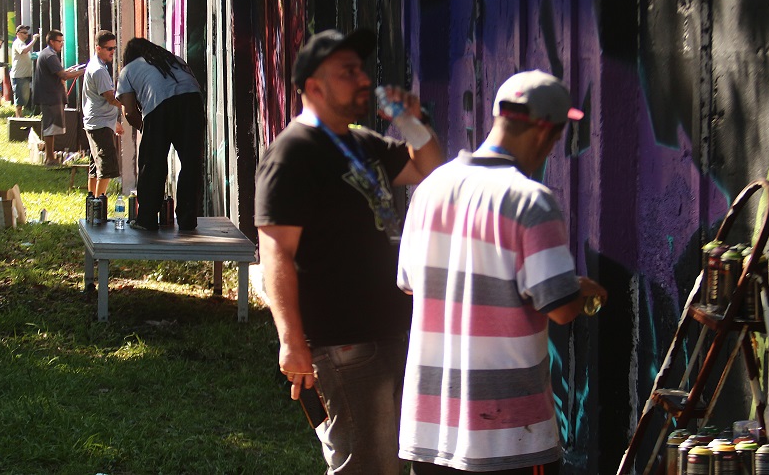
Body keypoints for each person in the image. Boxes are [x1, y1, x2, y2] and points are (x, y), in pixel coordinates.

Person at [396, 70, 608, 475]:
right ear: (545, 132)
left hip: (429, 433)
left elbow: (412, 285)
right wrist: (584, 292)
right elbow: (561, 308)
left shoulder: (430, 189)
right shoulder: (531, 201)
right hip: (509, 436)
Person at [254, 28, 443, 475]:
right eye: (348, 72)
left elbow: (430, 170)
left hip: (387, 329)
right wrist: (291, 341)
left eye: (361, 70)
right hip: (342, 342)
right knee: (367, 465)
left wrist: (411, 121)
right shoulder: (292, 154)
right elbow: (275, 254)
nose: (363, 80)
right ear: (314, 86)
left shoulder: (361, 141)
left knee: (390, 462)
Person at [115, 37, 204, 231]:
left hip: (160, 105)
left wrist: (148, 131)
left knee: (152, 162)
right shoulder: (174, 60)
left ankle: (146, 219)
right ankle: (188, 219)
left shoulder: (128, 70)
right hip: (193, 102)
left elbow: (129, 111)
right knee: (191, 162)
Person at [31, 30, 84, 166]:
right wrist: (84, 71)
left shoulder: (48, 54)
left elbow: (60, 73)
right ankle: (50, 158)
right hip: (50, 97)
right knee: (51, 127)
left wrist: (71, 70)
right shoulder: (49, 56)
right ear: (51, 42)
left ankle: (51, 156)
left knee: (52, 128)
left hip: (51, 96)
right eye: (59, 41)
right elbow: (63, 76)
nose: (61, 44)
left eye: (62, 41)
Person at [82, 31, 124, 196]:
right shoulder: (99, 70)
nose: (112, 52)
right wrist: (132, 105)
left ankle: (92, 203)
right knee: (106, 168)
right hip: (99, 124)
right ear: (98, 48)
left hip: (98, 122)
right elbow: (111, 99)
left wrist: (114, 123)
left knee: (95, 167)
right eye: (109, 49)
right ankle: (99, 205)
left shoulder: (96, 65)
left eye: (114, 48)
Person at [11, 25, 39, 118]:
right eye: (24, 33)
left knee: (24, 98)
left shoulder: (22, 43)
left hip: (25, 75)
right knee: (20, 99)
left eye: (27, 33)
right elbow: (24, 51)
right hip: (19, 75)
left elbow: (28, 56)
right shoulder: (18, 43)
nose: (27, 35)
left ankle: (20, 117)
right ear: (18, 34)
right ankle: (18, 117)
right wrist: (34, 40)